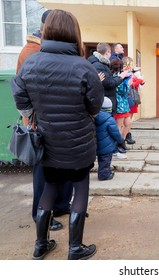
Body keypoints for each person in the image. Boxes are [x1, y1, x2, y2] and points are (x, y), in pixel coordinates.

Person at [11, 9, 105, 260]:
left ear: (47, 30)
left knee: (49, 189)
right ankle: (75, 248)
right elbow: (95, 106)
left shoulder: (31, 63)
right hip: (79, 145)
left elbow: (19, 96)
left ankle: (41, 244)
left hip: (48, 143)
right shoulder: (84, 67)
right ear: (74, 33)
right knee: (80, 189)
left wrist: (33, 113)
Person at [16, 9, 73, 231]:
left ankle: (59, 205)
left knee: (62, 168)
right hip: (43, 123)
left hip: (60, 121)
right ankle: (41, 214)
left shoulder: (49, 49)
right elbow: (21, 91)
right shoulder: (32, 51)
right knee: (44, 172)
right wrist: (32, 116)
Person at [88, 42, 131, 115]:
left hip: (106, 100)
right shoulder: (98, 65)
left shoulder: (102, 64)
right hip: (105, 102)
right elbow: (109, 83)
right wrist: (121, 77)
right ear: (107, 52)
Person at [96, 97, 126, 180]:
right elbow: (115, 133)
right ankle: (104, 175)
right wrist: (121, 141)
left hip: (96, 144)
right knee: (106, 161)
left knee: (100, 159)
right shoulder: (109, 119)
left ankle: (103, 172)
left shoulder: (94, 117)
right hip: (107, 146)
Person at [110, 58, 132, 154]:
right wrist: (129, 84)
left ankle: (121, 142)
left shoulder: (120, 75)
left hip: (124, 103)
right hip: (119, 103)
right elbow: (123, 91)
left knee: (128, 123)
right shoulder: (117, 76)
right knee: (119, 125)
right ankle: (117, 145)